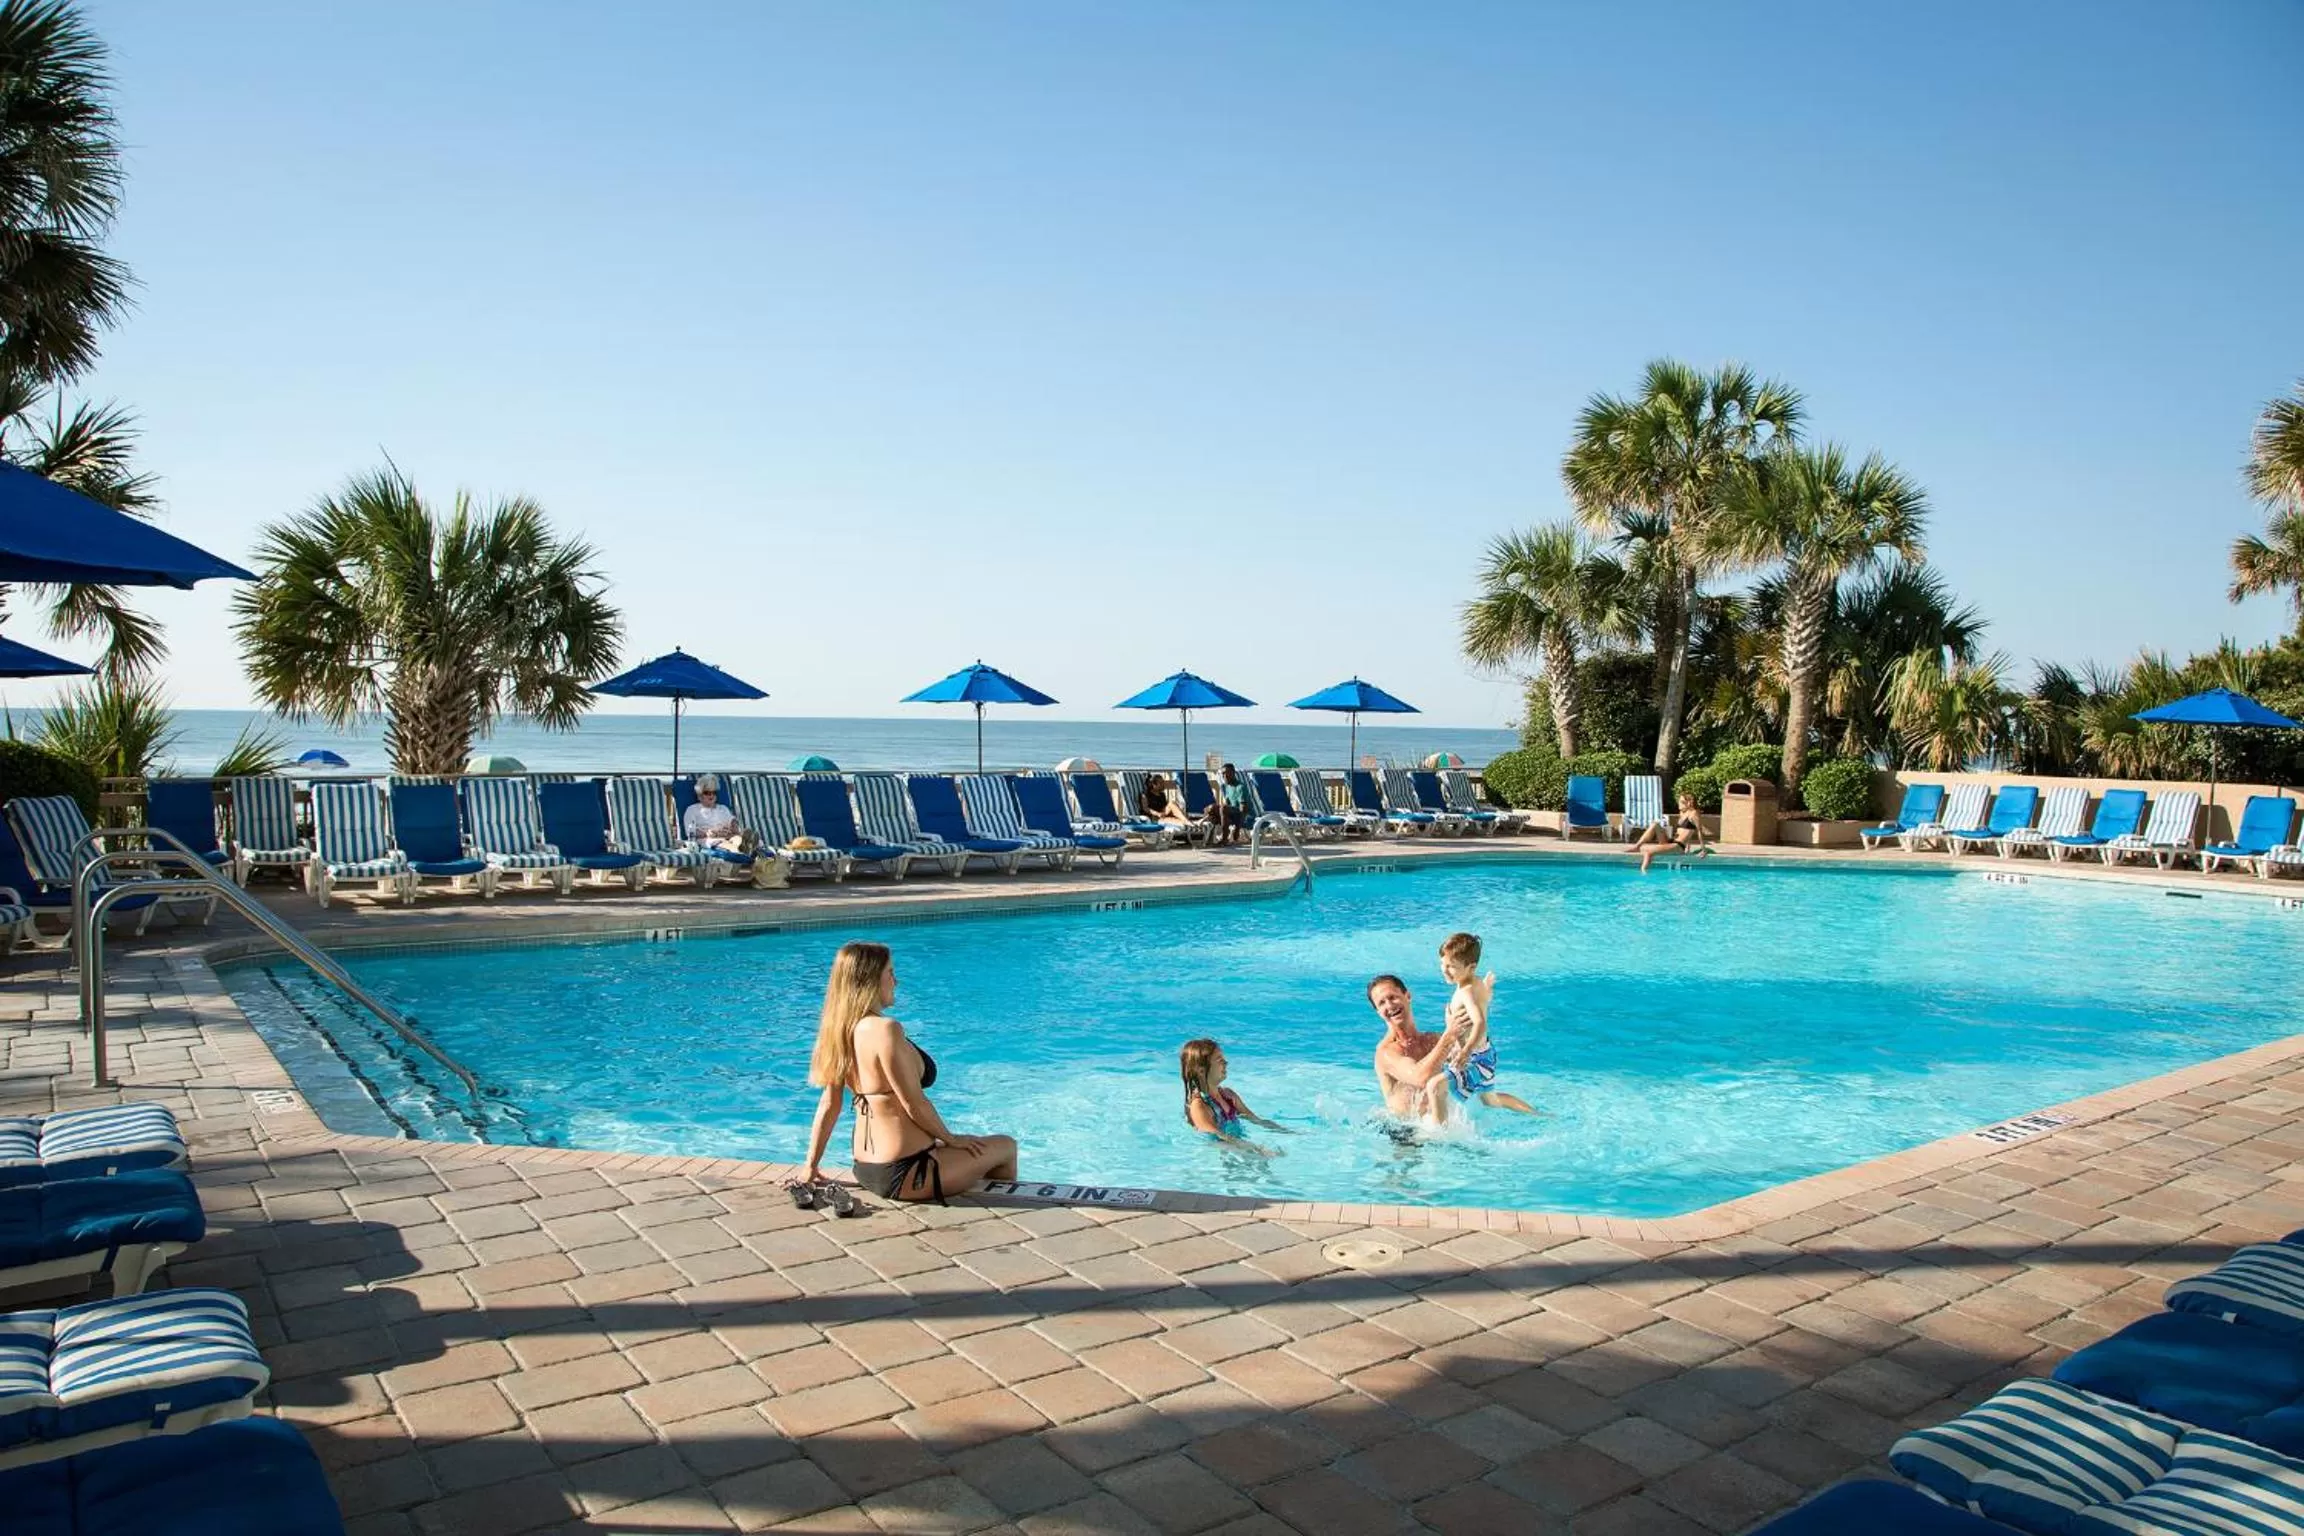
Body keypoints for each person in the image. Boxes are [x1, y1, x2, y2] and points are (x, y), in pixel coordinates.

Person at [799, 942, 1018, 1203]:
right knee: (1006, 1147)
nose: (896, 981)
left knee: (972, 1153)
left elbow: (830, 1104)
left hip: (866, 1168)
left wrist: (810, 1164)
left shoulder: (839, 1031)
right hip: (909, 1172)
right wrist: (951, 1138)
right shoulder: (885, 1030)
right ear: (869, 979)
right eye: (890, 972)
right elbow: (913, 1103)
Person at [1429, 932, 1538, 1116]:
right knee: (1489, 1100)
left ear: (1471, 967)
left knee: (1434, 1086)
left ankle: (1439, 1135)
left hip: (1475, 1057)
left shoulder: (1467, 991)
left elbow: (1480, 1022)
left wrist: (1466, 1050)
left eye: (1451, 966)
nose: (1444, 970)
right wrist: (1487, 990)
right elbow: (1482, 1002)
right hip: (1484, 1054)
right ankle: (1535, 1113)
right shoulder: (1474, 983)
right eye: (1443, 964)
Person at [1369, 973, 1455, 1124]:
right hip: (1403, 1132)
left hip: (1434, 1125)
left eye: (1392, 997)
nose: (1389, 1005)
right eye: (1381, 1003)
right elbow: (1420, 1078)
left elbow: (1471, 1057)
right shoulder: (1386, 1053)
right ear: (1378, 1012)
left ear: (1407, 996)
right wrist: (1449, 1035)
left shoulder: (1433, 1041)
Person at [1179, 1038, 1287, 1155]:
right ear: (1201, 1070)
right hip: (1223, 1154)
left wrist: (1285, 1131)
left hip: (1240, 1145)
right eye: (1220, 1060)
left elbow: (1254, 1119)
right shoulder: (1200, 1106)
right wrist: (1256, 1149)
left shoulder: (1229, 1096)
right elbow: (1216, 1136)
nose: (1226, 1063)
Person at [1631, 791, 1714, 873]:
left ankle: (1644, 872)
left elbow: (1698, 831)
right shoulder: (1682, 813)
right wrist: (1688, 848)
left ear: (1688, 803)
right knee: (1655, 824)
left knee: (1648, 852)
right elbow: (1686, 832)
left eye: (1681, 802)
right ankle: (1637, 846)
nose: (1679, 804)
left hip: (1677, 846)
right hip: (1671, 842)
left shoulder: (1694, 813)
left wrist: (1703, 850)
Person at [682, 774, 750, 852]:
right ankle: (740, 850)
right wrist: (706, 833)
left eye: (714, 792)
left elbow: (732, 821)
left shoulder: (723, 808)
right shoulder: (692, 810)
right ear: (699, 796)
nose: (711, 795)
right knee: (721, 842)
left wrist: (734, 827)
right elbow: (690, 831)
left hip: (727, 836)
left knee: (737, 839)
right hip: (707, 839)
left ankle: (746, 845)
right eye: (707, 792)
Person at [1215, 764, 1250, 847]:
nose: (1225, 776)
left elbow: (1243, 809)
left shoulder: (1240, 787)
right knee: (1210, 808)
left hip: (1238, 814)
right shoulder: (1227, 787)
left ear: (1233, 773)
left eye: (1227, 773)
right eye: (1223, 773)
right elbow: (1227, 804)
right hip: (1229, 814)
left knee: (1223, 808)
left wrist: (1237, 829)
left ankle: (1224, 839)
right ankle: (1209, 838)